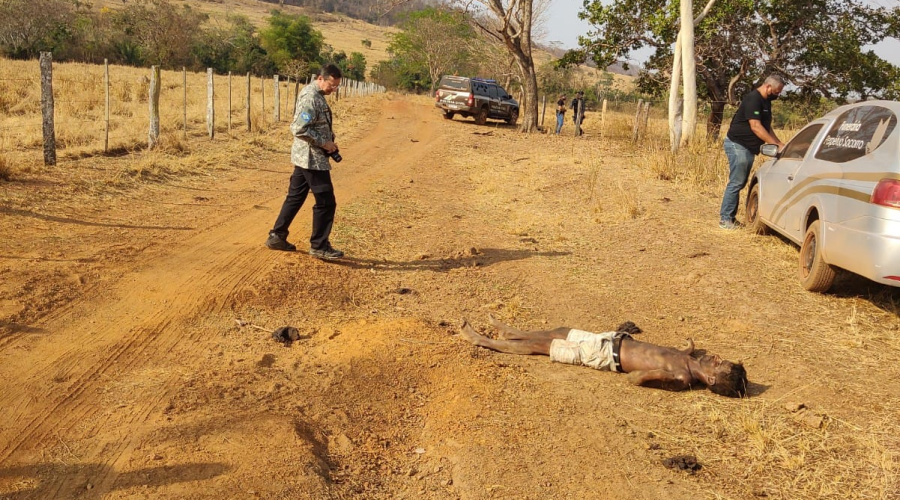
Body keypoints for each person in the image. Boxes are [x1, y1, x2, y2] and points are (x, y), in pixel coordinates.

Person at [457, 316, 747, 397]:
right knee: (559, 330)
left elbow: (637, 378)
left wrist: (659, 376)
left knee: (545, 346)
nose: (717, 358)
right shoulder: (689, 361)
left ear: (710, 380)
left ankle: (483, 341)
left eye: (720, 365)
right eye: (722, 359)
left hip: (605, 355)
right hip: (610, 340)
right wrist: (686, 350)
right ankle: (512, 332)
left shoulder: (682, 377)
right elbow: (663, 355)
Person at [266, 64, 345, 260]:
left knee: (295, 197)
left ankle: (277, 235)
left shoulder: (317, 95)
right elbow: (298, 128)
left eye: (336, 86)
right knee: (326, 202)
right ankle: (319, 245)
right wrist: (323, 142)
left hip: (307, 157)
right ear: (320, 78)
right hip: (311, 158)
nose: (333, 90)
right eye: (331, 85)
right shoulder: (311, 97)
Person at [719, 74, 785, 230]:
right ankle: (725, 219)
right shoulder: (753, 99)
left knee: (739, 182)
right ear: (768, 86)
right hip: (738, 145)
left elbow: (766, 126)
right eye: (777, 91)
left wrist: (779, 143)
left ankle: (730, 218)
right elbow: (755, 126)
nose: (778, 94)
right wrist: (774, 144)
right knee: (737, 182)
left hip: (748, 148)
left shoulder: (766, 102)